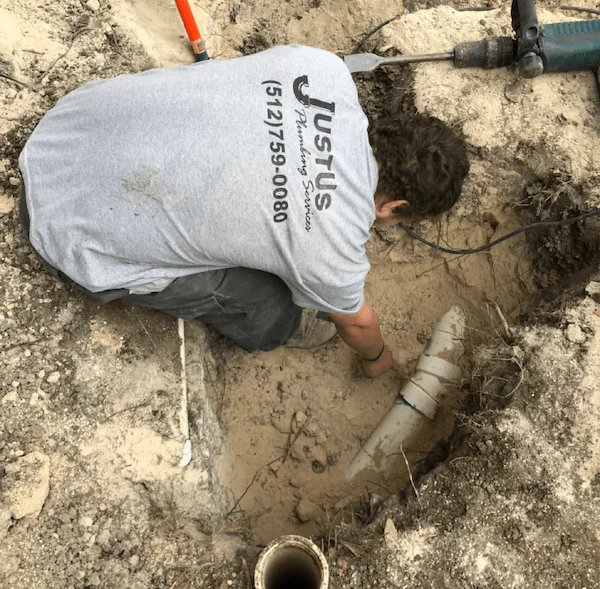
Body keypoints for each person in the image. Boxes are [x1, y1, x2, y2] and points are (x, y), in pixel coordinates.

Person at [19, 45, 469, 377]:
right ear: (395, 206)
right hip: (69, 231)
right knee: (273, 306)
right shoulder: (330, 248)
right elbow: (358, 320)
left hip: (74, 123)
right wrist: (377, 360)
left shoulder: (322, 69)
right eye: (395, 220)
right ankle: (274, 328)